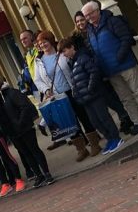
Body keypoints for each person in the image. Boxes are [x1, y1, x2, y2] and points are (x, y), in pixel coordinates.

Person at [82, 0, 138, 133]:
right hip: (110, 70)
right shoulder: (89, 30)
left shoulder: (113, 21)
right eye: (86, 16)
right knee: (125, 98)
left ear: (97, 11)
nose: (88, 18)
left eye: (90, 14)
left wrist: (120, 56)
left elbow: (126, 38)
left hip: (125, 64)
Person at [32, 31, 99, 161]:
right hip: (57, 95)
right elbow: (37, 80)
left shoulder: (61, 53)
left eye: (45, 41)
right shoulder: (39, 60)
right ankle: (81, 149)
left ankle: (95, 144)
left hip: (72, 90)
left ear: (51, 41)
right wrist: (46, 90)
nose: (43, 45)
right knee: (68, 122)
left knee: (83, 117)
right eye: (40, 43)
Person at [0, 73, 55, 188]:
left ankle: (47, 173)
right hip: (12, 132)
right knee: (26, 153)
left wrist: (19, 123)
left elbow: (25, 107)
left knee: (34, 150)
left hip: (24, 128)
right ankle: (38, 175)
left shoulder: (12, 93)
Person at [58, 35, 124, 154]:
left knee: (104, 117)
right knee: (95, 121)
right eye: (62, 52)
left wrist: (90, 88)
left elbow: (93, 72)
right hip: (85, 99)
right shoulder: (72, 63)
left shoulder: (83, 58)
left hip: (94, 95)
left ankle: (116, 138)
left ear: (72, 47)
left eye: (65, 50)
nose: (64, 54)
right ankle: (109, 139)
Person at [73, 10, 134, 133]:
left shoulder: (93, 29)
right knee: (109, 98)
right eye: (77, 21)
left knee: (116, 94)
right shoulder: (76, 38)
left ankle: (127, 118)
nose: (80, 23)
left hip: (105, 66)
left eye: (82, 19)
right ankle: (124, 117)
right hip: (93, 71)